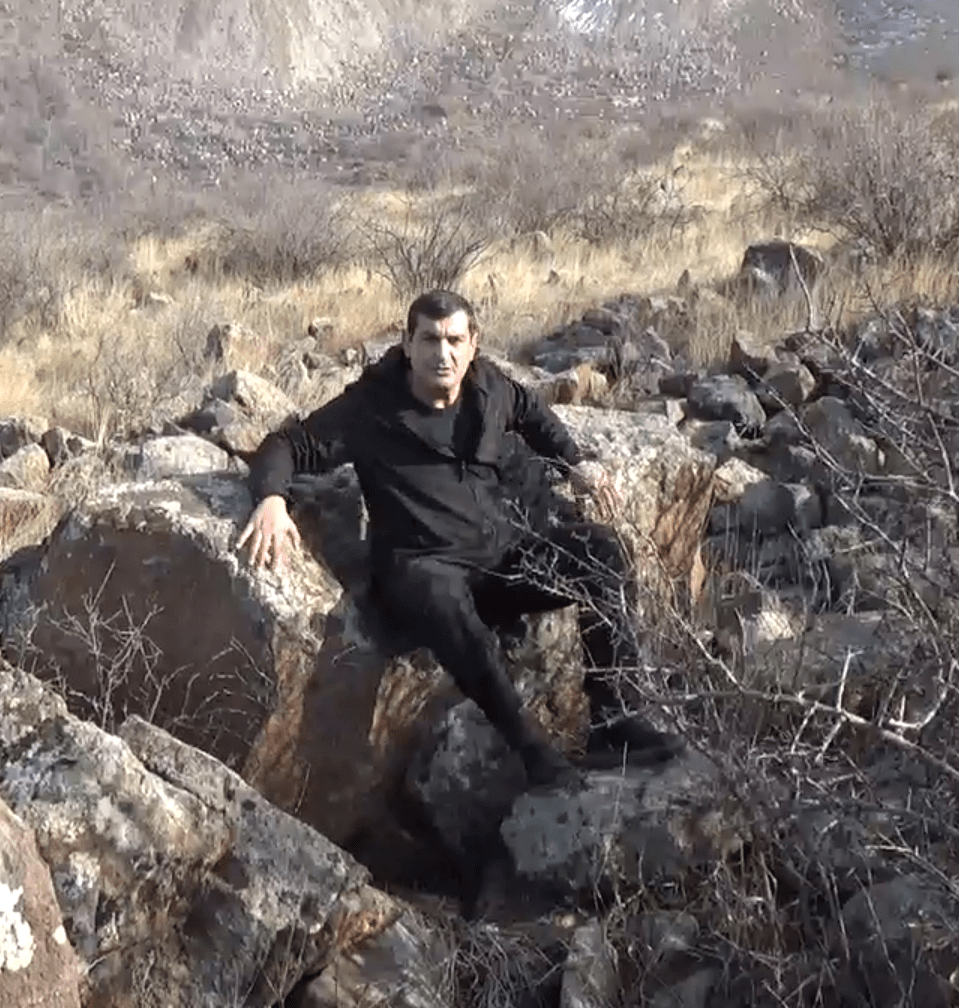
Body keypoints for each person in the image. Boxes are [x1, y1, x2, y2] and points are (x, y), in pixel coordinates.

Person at [236, 288, 681, 789]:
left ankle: (614, 723)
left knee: (602, 551)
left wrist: (575, 464)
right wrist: (272, 498)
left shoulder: (488, 388)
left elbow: (532, 412)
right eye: (429, 339)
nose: (442, 354)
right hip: (422, 572)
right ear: (408, 344)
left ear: (473, 343)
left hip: (499, 561)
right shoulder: (371, 407)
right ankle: (534, 752)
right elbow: (288, 443)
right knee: (442, 597)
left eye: (453, 340)